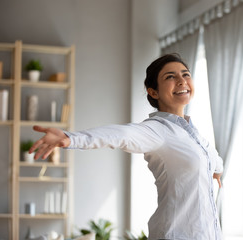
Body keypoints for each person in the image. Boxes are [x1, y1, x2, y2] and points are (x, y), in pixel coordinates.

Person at [30, 53, 224, 240]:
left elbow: (214, 159)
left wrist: (214, 170)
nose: (181, 81)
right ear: (153, 92)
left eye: (185, 74)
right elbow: (119, 135)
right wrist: (71, 138)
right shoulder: (157, 131)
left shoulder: (194, 135)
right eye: (170, 77)